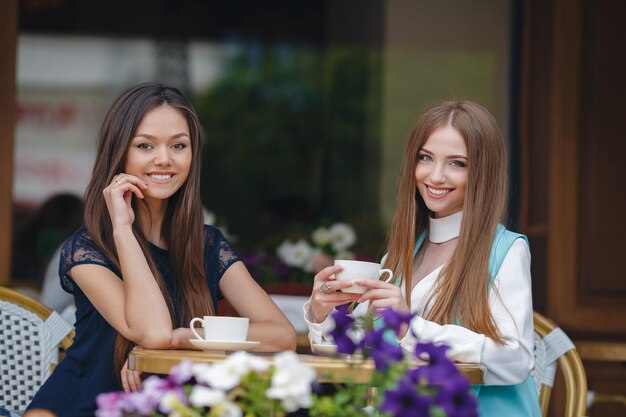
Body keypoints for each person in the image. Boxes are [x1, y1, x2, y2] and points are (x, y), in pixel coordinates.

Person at [26, 82, 296, 417]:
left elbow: (281, 335)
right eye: (145, 145)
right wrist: (122, 228)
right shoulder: (87, 249)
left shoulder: (207, 244)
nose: (164, 160)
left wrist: (185, 337)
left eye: (178, 145)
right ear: (119, 152)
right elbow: (153, 333)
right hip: (84, 405)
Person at [304, 99, 541, 416]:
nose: (436, 176)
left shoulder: (506, 250)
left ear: (483, 171)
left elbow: (517, 359)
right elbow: (358, 351)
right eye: (426, 158)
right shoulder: (402, 253)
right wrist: (322, 312)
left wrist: (411, 328)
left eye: (457, 163)